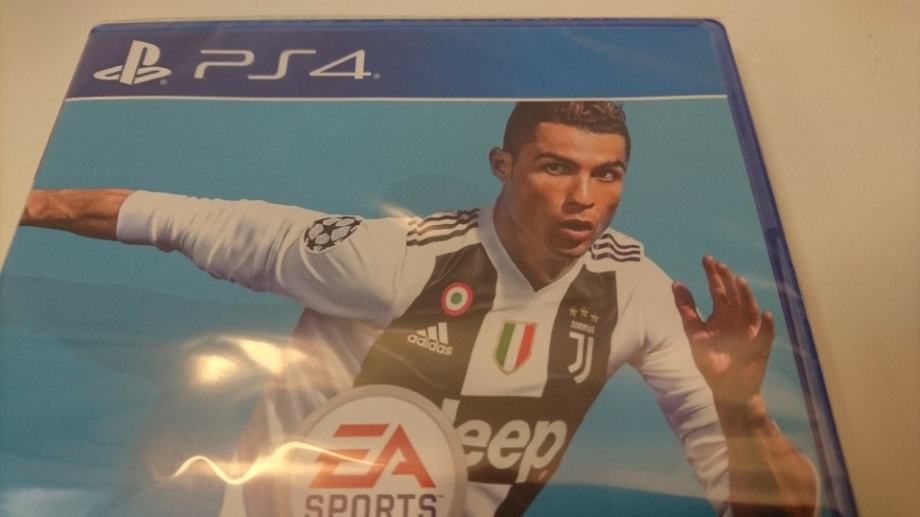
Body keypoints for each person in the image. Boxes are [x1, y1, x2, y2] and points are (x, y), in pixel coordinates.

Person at [19, 101, 817, 516]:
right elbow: (186, 220)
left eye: (607, 174)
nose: (583, 197)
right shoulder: (390, 259)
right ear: (503, 165)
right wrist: (28, 203)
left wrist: (742, 410)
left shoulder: (635, 292)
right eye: (555, 167)